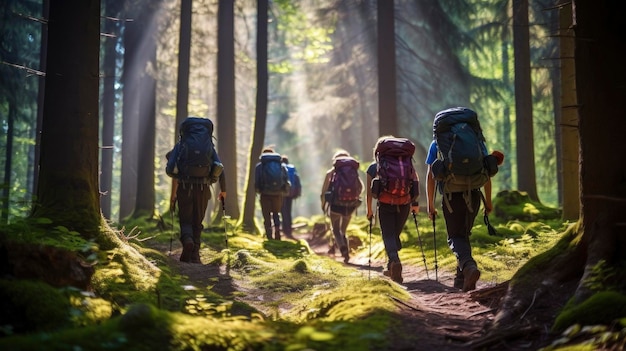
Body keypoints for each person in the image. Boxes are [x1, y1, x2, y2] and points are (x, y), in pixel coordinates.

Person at [425, 141, 496, 292]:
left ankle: (468, 266)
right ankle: (461, 279)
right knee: (463, 235)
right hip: (475, 194)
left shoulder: (438, 142)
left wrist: (430, 204)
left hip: (451, 196)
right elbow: (486, 171)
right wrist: (488, 202)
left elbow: (431, 175)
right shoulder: (475, 140)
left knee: (455, 237)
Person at [166, 122, 226, 264]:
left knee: (185, 220)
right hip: (203, 189)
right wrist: (223, 190)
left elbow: (171, 167)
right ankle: (195, 255)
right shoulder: (209, 147)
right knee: (197, 222)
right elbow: (220, 167)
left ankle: (187, 241)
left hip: (185, 187)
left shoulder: (181, 144)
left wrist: (173, 194)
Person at [366, 137, 420, 283]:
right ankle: (391, 265)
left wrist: (369, 209)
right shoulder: (407, 162)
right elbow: (414, 179)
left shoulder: (374, 167)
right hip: (404, 202)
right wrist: (415, 202)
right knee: (395, 234)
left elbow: (369, 191)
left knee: (389, 235)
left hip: (385, 202)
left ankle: (394, 261)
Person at [320, 150, 363, 263]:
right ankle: (346, 250)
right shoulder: (353, 171)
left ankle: (343, 250)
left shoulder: (331, 172)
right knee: (343, 230)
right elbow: (361, 187)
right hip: (350, 205)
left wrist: (323, 205)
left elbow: (324, 192)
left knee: (335, 229)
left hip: (336, 205)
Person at [255, 147, 289, 240]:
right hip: (277, 194)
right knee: (276, 213)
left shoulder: (259, 166)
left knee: (266, 215)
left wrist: (258, 189)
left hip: (264, 193)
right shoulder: (281, 166)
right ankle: (277, 232)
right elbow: (286, 178)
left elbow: (257, 180)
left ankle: (269, 234)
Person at [277, 155, 301, 239]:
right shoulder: (292, 169)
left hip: (283, 193)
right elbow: (297, 179)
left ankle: (285, 229)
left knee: (283, 211)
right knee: (288, 211)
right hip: (291, 193)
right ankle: (289, 229)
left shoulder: (280, 168)